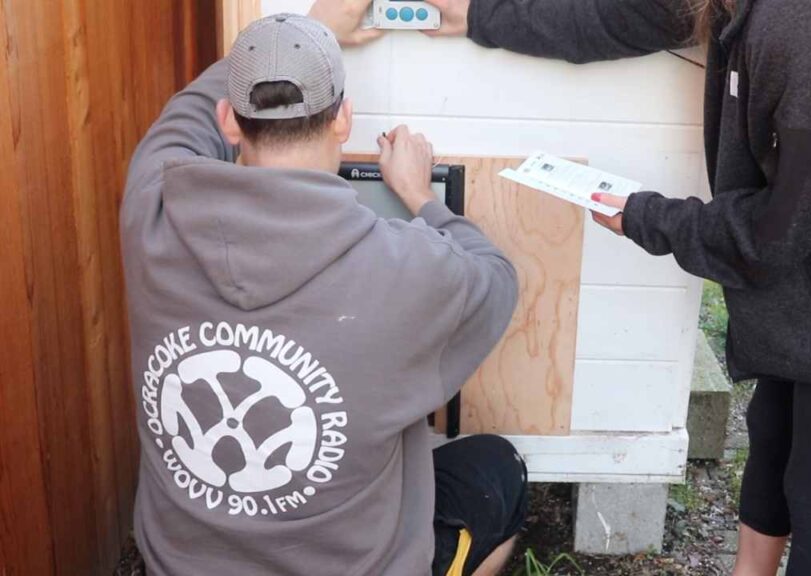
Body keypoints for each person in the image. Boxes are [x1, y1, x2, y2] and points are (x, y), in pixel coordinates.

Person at [347, 0, 811, 574]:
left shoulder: (806, 25)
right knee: (773, 437)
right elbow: (619, 18)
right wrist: (482, 15)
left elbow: (779, 229)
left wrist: (643, 216)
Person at [120, 5, 527, 576]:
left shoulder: (152, 205)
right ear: (343, 120)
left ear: (229, 122)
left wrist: (306, 25)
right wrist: (419, 196)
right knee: (500, 468)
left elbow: (182, 116)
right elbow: (496, 277)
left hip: (179, 564)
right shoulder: (407, 267)